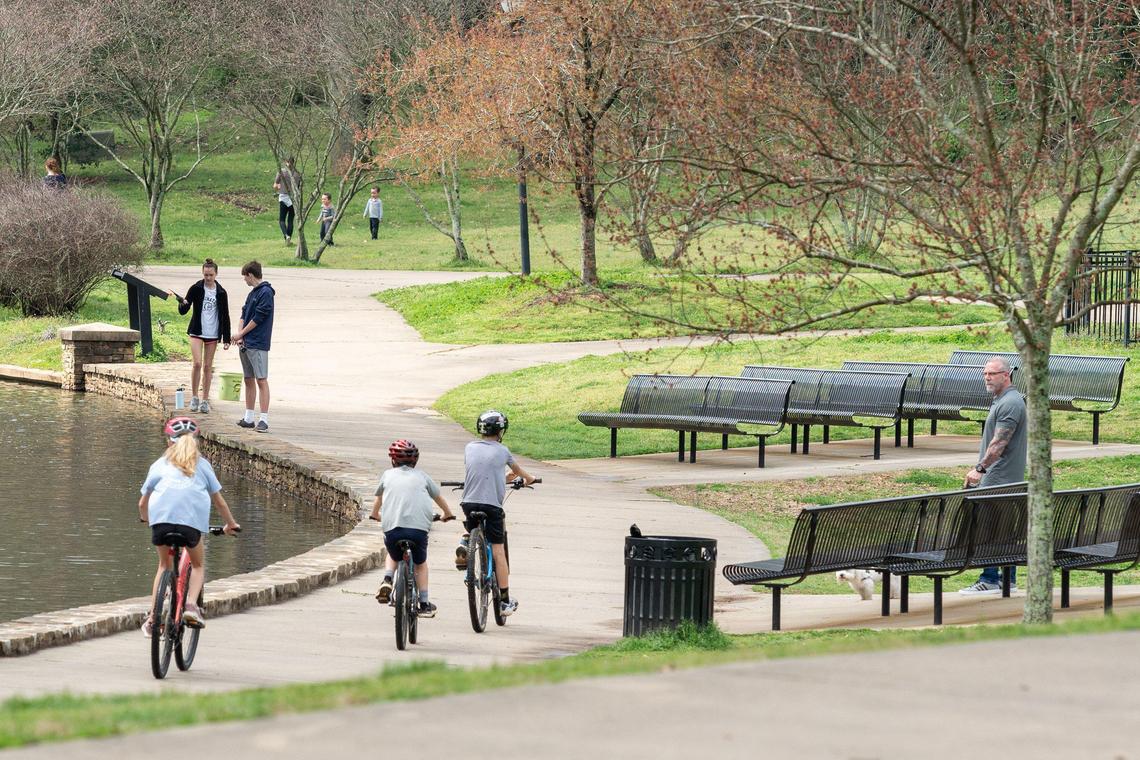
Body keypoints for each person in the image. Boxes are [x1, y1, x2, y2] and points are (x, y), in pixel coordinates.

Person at [138, 416, 240, 635]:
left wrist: (146, 519)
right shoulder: (202, 465)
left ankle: (153, 618)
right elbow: (219, 501)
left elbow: (142, 502)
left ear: (168, 441)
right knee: (198, 565)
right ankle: (191, 606)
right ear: (196, 441)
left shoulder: (158, 464)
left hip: (161, 524)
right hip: (190, 527)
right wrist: (230, 524)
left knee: (164, 566)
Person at [454, 410, 536, 617]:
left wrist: (503, 478)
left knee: (472, 523)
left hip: (469, 502)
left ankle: (466, 543)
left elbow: (484, 471)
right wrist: (530, 479)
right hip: (492, 507)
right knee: (498, 551)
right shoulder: (503, 451)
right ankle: (505, 602)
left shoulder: (469, 447)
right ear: (500, 431)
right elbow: (521, 473)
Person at [959, 356, 1028, 596]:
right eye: (985, 373)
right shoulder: (1005, 400)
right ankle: (1007, 579)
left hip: (999, 478)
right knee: (1003, 529)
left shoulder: (1010, 403)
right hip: (1003, 477)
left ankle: (990, 579)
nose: (987, 377)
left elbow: (999, 443)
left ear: (1006, 375)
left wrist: (979, 469)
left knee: (989, 528)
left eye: (992, 373)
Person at [370, 439, 456, 617]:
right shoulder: (423, 476)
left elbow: (379, 499)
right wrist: (447, 514)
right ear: (415, 460)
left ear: (393, 460)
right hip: (418, 531)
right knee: (420, 564)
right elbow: (438, 497)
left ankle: (387, 579)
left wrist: (375, 515)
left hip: (392, 528)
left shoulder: (387, 475)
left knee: (393, 554)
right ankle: (424, 603)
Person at [172, 258, 231, 414]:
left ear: (216, 274)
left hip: (212, 333)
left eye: (211, 275)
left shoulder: (221, 292)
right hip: (197, 331)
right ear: (202, 273)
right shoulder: (196, 288)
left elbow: (225, 315)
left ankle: (205, 400)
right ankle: (194, 397)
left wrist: (226, 338)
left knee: (207, 366)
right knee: (197, 363)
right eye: (205, 275)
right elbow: (184, 309)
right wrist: (182, 303)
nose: (208, 278)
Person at [232, 261, 275, 433]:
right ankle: (249, 417)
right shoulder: (252, 294)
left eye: (245, 276)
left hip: (258, 343)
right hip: (246, 342)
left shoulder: (266, 293)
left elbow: (259, 318)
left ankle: (264, 418)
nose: (244, 280)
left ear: (250, 274)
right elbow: (244, 314)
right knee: (248, 378)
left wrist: (241, 334)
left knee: (261, 379)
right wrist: (240, 334)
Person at [273, 157, 299, 245]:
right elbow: (298, 187)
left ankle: (286, 236)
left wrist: (277, 187)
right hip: (293, 199)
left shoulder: (282, 172)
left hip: (283, 197)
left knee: (282, 220)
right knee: (290, 220)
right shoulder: (297, 173)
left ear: (286, 162)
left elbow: (275, 185)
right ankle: (289, 239)